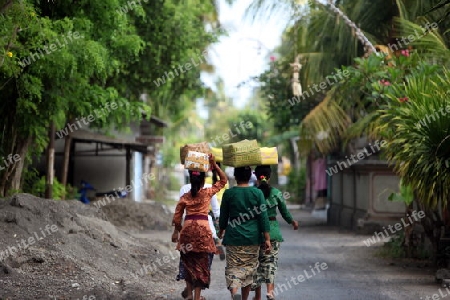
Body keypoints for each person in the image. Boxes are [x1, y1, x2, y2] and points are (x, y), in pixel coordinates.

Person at [172, 155, 227, 300]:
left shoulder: (185, 196)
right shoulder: (207, 192)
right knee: (202, 263)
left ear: (190, 178)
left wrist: (176, 232)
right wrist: (214, 165)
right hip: (203, 230)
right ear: (203, 179)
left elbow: (177, 216)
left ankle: (189, 294)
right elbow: (223, 181)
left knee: (187, 261)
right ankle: (197, 297)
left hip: (187, 231)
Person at [218, 166, 272, 300]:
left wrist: (221, 231)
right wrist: (267, 238)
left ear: (235, 177)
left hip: (233, 237)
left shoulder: (229, 193)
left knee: (233, 268)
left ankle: (234, 290)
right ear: (250, 177)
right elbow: (263, 217)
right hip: (252, 238)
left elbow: (223, 217)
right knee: (248, 270)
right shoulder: (257, 193)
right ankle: (243, 298)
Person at [251, 165, 299, 300]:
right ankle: (270, 292)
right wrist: (292, 222)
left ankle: (257, 296)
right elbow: (284, 212)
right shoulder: (277, 193)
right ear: (270, 176)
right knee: (270, 262)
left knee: (256, 264)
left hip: (255, 233)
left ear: (256, 176)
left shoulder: (253, 193)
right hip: (273, 233)